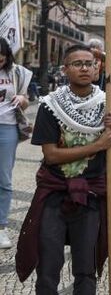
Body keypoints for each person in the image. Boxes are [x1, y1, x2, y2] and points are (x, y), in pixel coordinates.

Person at [15, 44, 111, 294]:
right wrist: (98, 144)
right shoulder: (50, 106)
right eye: (77, 64)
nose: (84, 68)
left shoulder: (108, 104)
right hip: (55, 193)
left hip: (90, 196)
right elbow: (51, 155)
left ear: (97, 69)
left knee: (86, 267)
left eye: (90, 63)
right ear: (65, 70)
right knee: (48, 265)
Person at [0, 37, 33, 249]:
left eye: (1, 59)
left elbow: (26, 99)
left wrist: (22, 100)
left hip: (7, 127)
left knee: (4, 179)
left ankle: (1, 227)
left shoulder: (16, 73)